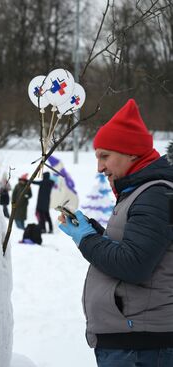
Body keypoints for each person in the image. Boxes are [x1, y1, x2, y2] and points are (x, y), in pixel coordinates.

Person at [58, 99, 173, 367]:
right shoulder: (140, 192)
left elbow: (134, 265)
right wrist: (94, 231)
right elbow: (136, 247)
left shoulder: (154, 195)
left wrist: (87, 239)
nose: (99, 167)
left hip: (142, 346)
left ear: (131, 153)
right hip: (134, 340)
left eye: (104, 156)